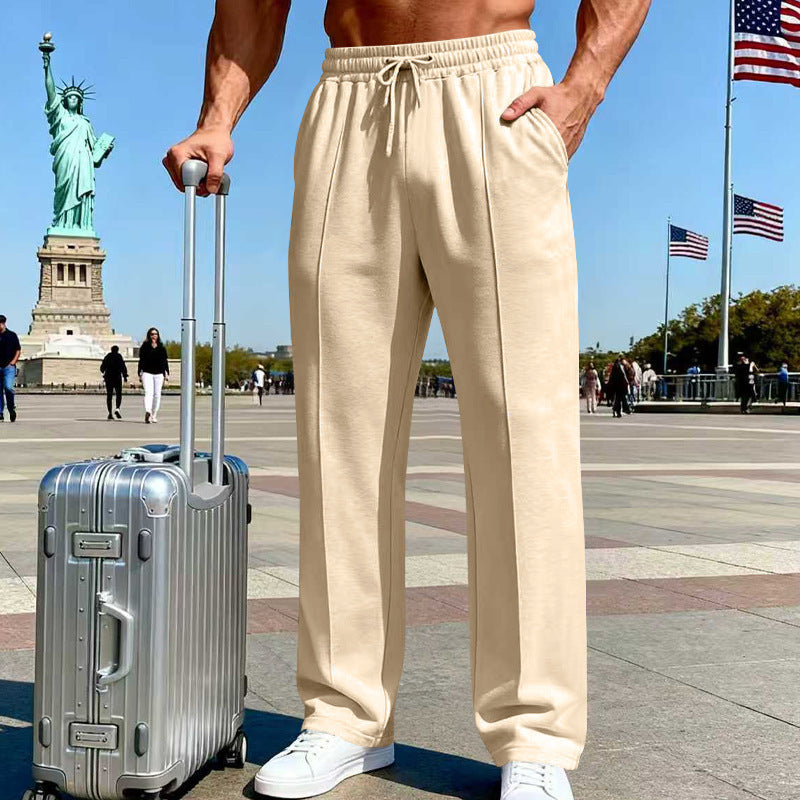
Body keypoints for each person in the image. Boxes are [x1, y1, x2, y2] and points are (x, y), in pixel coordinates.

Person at [163, 1, 651, 798]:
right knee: (338, 434)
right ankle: (345, 715)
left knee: (523, 433)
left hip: (494, 93)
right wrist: (218, 117)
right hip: (350, 99)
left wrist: (584, 87)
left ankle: (534, 733)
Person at [137, 327, 169, 424]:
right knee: (148, 393)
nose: (154, 336)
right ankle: (148, 411)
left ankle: (154, 414)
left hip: (159, 373)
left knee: (157, 394)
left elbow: (165, 361)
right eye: (152, 334)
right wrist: (139, 372)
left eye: (155, 334)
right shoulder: (145, 347)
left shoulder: (162, 348)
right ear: (149, 335)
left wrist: (167, 373)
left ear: (158, 336)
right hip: (147, 372)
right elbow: (141, 360)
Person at [0, 314, 21, 423]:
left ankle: (11, 408)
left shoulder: (12, 335)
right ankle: (0, 413)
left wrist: (13, 362)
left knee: (8, 388)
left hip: (8, 367)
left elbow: (18, 350)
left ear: (3, 323)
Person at [100, 345, 129, 420]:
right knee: (119, 394)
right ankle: (117, 408)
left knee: (109, 395)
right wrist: (125, 376)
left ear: (111, 350)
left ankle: (110, 413)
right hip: (117, 377)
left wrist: (104, 371)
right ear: (117, 350)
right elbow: (123, 367)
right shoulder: (119, 356)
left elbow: (102, 368)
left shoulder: (108, 356)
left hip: (109, 378)